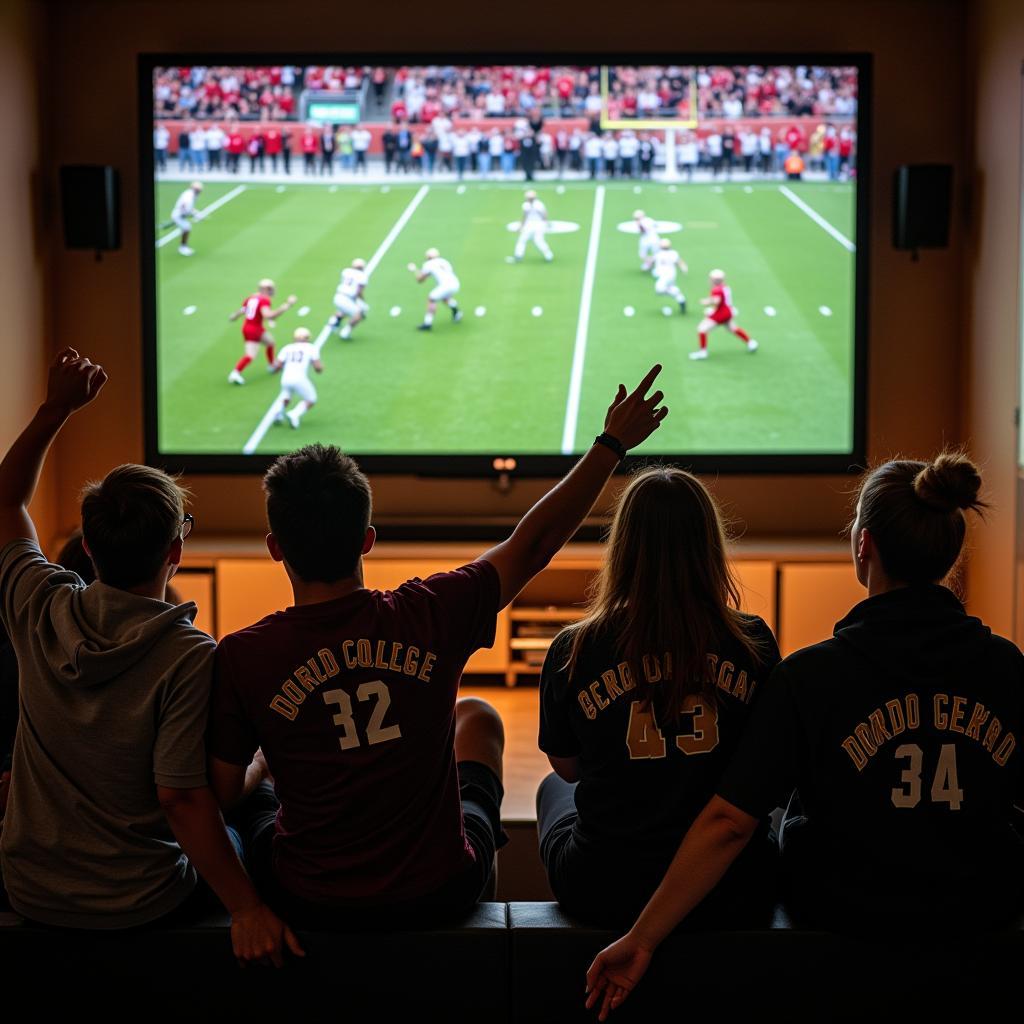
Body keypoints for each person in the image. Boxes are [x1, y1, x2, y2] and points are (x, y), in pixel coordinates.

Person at [206, 367, 669, 927]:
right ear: (368, 540)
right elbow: (535, 544)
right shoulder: (430, 611)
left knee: (250, 802)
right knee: (478, 719)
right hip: (438, 890)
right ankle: (479, 931)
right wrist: (610, 444)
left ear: (275, 548)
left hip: (309, 897)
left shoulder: (242, 653)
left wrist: (264, 762)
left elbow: (221, 791)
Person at [585, 451, 1023, 1020]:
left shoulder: (812, 677)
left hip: (846, 908)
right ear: (950, 552)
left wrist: (642, 938)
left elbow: (729, 822)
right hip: (980, 906)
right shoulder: (1008, 667)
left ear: (863, 545)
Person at [0, 349, 298, 964]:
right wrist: (247, 907)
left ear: (87, 545)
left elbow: (5, 503)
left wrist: (55, 407)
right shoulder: (189, 654)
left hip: (29, 888)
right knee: (253, 797)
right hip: (141, 899)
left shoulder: (38, 603)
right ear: (175, 554)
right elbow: (182, 798)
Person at [537, 467, 780, 929]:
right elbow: (765, 770)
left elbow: (568, 767)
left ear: (624, 548)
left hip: (603, 886)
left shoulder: (575, 648)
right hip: (732, 886)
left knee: (553, 789)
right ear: (709, 546)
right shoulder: (754, 641)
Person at [227, 279, 297, 384]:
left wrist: (235, 316)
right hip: (253, 329)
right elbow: (268, 315)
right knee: (250, 355)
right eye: (270, 288)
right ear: (265, 289)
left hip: (251, 327)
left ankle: (272, 364)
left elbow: (243, 309)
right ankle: (235, 373)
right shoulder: (264, 300)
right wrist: (286, 305)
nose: (272, 290)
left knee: (270, 342)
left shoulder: (252, 297)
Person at [690, 270, 758, 360]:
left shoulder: (716, 290)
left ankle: (703, 352)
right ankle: (751, 342)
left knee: (702, 329)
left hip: (721, 313)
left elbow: (716, 301)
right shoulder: (724, 287)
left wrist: (706, 302)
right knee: (732, 328)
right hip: (728, 311)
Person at [271, 327, 323, 430]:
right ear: (307, 338)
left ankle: (278, 413)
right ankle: (294, 414)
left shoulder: (287, 348)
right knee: (311, 399)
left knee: (286, 396)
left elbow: (277, 366)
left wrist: (277, 370)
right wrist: (320, 369)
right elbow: (318, 367)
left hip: (285, 378)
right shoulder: (311, 348)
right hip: (299, 378)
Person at [409, 247, 461, 331]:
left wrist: (414, 270)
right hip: (455, 283)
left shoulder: (428, 264)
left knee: (431, 299)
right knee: (445, 298)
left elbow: (420, 279)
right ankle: (457, 312)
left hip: (445, 286)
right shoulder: (444, 261)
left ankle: (427, 323)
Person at [329, 257, 370, 341]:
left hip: (338, 296)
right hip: (347, 298)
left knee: (346, 310)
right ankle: (345, 332)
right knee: (360, 314)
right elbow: (359, 292)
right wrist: (363, 302)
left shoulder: (346, 271)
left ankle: (333, 321)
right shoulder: (362, 276)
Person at [514, 190, 553, 263]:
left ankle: (518, 255)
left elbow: (525, 217)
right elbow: (544, 215)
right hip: (536, 225)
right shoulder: (537, 204)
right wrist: (547, 223)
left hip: (533, 225)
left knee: (524, 240)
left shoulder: (530, 205)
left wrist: (521, 226)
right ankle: (549, 255)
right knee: (537, 240)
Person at [651, 238, 687, 314]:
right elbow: (679, 262)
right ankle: (681, 299)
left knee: (659, 289)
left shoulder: (658, 253)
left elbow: (651, 262)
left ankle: (676, 292)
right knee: (670, 287)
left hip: (664, 276)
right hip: (671, 275)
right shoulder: (673, 253)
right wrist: (683, 268)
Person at [171, 180, 203, 256]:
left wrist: (196, 213)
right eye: (198, 189)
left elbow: (189, 208)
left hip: (181, 215)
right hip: (178, 215)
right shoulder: (189, 196)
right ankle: (183, 248)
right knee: (187, 228)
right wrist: (195, 215)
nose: (199, 191)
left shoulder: (192, 194)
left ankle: (183, 247)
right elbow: (186, 208)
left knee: (186, 228)